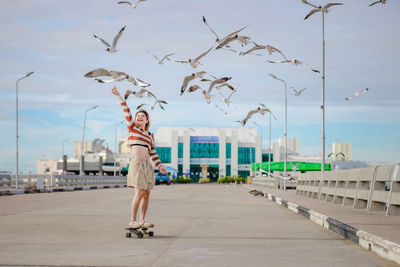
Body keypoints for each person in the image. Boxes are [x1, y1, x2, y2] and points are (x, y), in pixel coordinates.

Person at [112, 86, 167, 229]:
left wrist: (160, 165)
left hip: (147, 164)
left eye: (142, 116)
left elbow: (153, 152)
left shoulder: (150, 135)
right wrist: (119, 96)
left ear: (147, 120)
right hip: (136, 163)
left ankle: (142, 221)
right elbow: (126, 111)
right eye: (138, 116)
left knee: (147, 194)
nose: (139, 117)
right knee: (139, 192)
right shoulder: (132, 128)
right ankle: (132, 221)